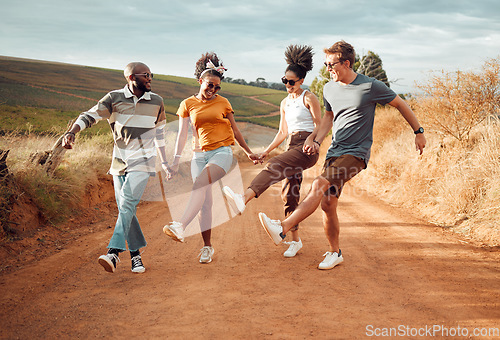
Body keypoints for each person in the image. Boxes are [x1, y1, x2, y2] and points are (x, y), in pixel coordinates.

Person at [258, 41, 427, 270]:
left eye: (331, 64)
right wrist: (316, 140)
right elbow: (328, 117)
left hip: (356, 154)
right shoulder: (329, 88)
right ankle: (334, 252)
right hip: (334, 151)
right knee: (327, 203)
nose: (328, 69)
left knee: (318, 184)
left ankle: (283, 227)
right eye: (326, 65)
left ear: (346, 63)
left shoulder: (370, 86)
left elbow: (399, 104)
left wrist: (418, 132)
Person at [62, 62, 169, 274]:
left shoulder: (157, 101)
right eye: (146, 75)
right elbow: (89, 116)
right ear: (131, 77)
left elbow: (160, 134)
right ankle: (136, 256)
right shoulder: (114, 98)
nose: (150, 78)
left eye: (151, 75)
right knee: (126, 209)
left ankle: (113, 252)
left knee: (127, 202)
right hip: (119, 162)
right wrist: (72, 132)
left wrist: (164, 161)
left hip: (144, 160)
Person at [222, 44, 321, 258]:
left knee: (274, 167)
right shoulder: (284, 102)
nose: (287, 84)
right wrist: (266, 151)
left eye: (291, 81)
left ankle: (243, 198)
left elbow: (320, 125)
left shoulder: (308, 98)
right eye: (284, 80)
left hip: (307, 147)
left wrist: (313, 140)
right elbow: (282, 132)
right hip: (292, 145)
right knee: (290, 193)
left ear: (301, 81)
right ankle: (294, 241)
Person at [162, 52, 259, 264]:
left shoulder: (224, 103)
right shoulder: (187, 104)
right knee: (205, 203)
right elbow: (182, 134)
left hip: (222, 153)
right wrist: (176, 161)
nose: (213, 90)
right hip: (198, 156)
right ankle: (207, 247)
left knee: (199, 184)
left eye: (217, 87)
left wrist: (247, 151)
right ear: (200, 81)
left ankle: (180, 226)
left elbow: (235, 130)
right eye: (209, 85)